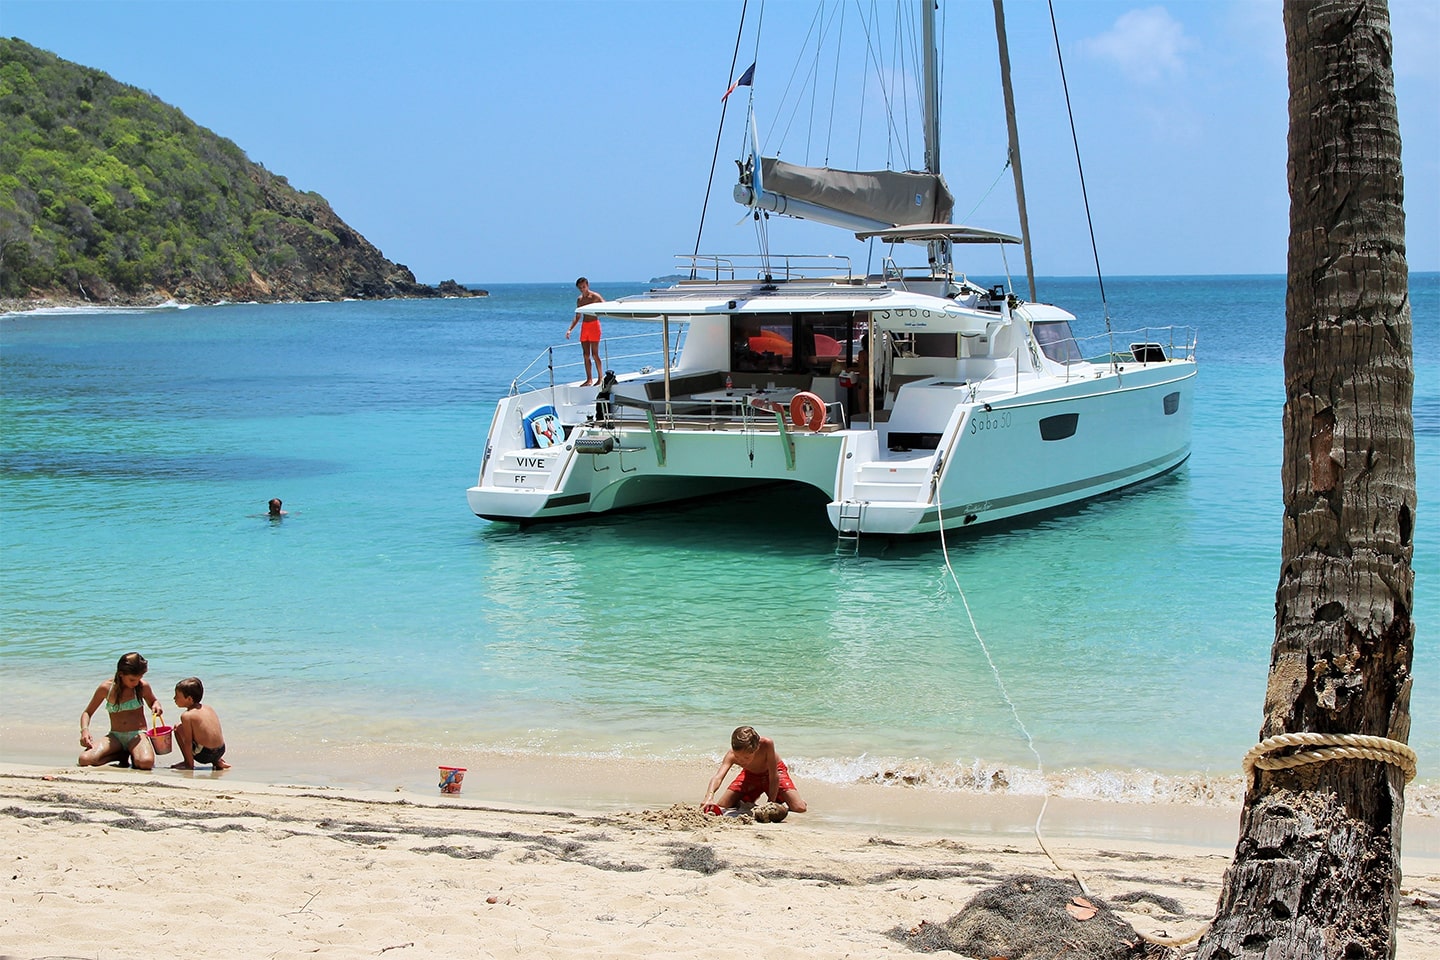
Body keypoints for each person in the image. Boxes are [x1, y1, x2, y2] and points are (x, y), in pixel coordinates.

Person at [78, 652, 164, 770]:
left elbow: (154, 701)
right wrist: (84, 731)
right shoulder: (106, 688)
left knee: (146, 763)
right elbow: (87, 713)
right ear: (121, 674)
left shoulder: (142, 687)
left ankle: (133, 754)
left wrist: (157, 706)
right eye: (132, 679)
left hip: (137, 735)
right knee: (84, 759)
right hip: (115, 737)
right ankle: (120, 755)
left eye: (139, 678)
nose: (136, 683)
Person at [702, 725, 807, 817]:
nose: (741, 761)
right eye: (738, 757)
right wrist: (709, 797)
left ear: (756, 748)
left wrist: (770, 802)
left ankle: (782, 799)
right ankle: (745, 801)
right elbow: (718, 777)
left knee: (799, 808)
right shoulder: (731, 755)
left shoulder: (767, 744)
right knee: (723, 804)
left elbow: (774, 776)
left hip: (774, 773)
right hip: (750, 775)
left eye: (746, 758)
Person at [169, 676, 230, 770]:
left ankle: (187, 762)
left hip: (205, 755)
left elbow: (188, 742)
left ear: (189, 699)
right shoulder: (209, 708)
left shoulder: (186, 715)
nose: (174, 698)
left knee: (178, 728)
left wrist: (190, 765)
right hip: (221, 751)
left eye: (177, 696)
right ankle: (218, 761)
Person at [564, 277, 605, 386]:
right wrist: (569, 329)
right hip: (585, 326)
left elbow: (605, 306)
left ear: (587, 285)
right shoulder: (580, 300)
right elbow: (577, 316)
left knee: (595, 354)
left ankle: (600, 378)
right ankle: (589, 379)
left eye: (584, 287)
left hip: (594, 325)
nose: (582, 289)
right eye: (580, 288)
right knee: (586, 355)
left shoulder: (595, 296)